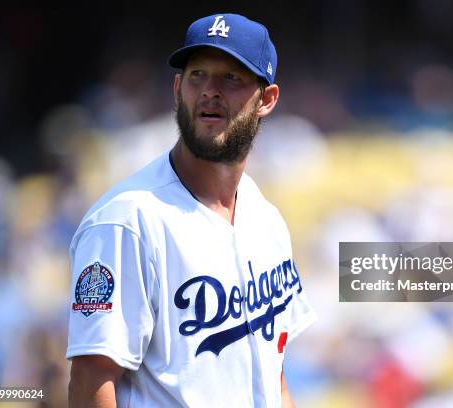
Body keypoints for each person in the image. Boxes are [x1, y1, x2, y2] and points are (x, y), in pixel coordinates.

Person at [66, 13, 316, 408]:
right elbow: (90, 381)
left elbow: (274, 374)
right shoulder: (126, 221)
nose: (210, 91)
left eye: (232, 78)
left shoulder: (266, 218)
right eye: (198, 75)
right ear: (178, 87)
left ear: (266, 100)